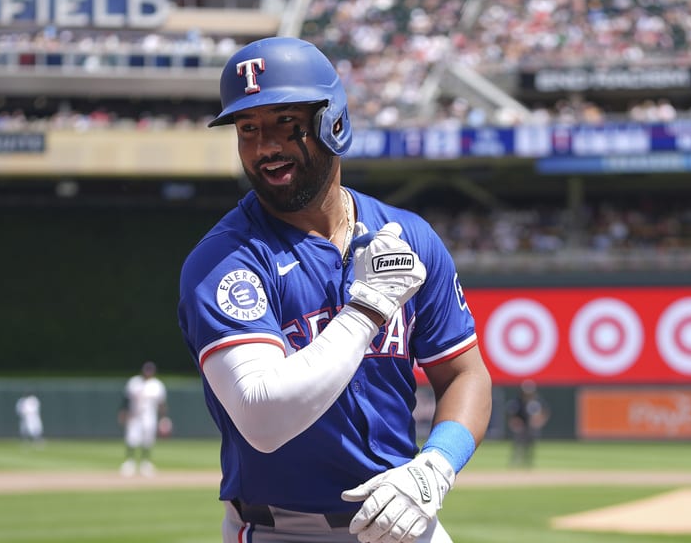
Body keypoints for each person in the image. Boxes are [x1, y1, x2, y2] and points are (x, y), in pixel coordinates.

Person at [177, 36, 493, 543]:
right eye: (248, 129)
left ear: (334, 122)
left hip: (405, 517)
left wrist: (435, 467)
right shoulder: (225, 260)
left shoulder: (408, 235)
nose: (265, 148)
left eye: (285, 122)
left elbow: (464, 374)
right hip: (282, 529)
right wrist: (367, 308)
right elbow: (263, 415)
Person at [118, 361, 168, 477]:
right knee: (132, 438)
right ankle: (129, 462)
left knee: (148, 439)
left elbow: (162, 404)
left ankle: (145, 463)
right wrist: (123, 412)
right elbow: (126, 399)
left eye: (150, 371)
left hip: (149, 416)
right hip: (134, 416)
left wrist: (163, 418)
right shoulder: (134, 382)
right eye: (146, 370)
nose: (148, 373)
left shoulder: (157, 385)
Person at [505, 379, 550, 468]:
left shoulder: (536, 401)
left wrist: (539, 421)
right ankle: (516, 461)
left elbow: (544, 412)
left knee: (530, 445)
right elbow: (511, 414)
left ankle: (528, 462)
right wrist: (514, 422)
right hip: (521, 427)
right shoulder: (517, 401)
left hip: (531, 427)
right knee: (518, 444)